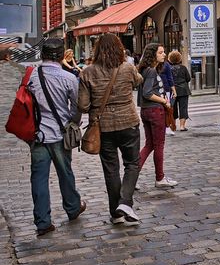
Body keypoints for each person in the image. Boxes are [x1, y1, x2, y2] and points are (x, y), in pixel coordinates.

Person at [79, 33, 144, 226]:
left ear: (97, 49)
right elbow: (138, 80)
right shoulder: (127, 68)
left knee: (111, 169)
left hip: (103, 127)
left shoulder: (88, 72)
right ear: (120, 49)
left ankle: (116, 213)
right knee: (132, 164)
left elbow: (82, 105)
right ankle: (125, 202)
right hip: (128, 122)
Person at [28, 39, 86, 236]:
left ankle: (43, 221)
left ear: (42, 55)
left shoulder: (31, 76)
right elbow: (77, 107)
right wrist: (72, 123)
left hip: (37, 135)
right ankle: (72, 207)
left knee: (39, 178)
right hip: (60, 134)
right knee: (65, 173)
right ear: (61, 56)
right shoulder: (68, 78)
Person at [136, 43, 178, 188]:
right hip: (155, 111)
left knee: (150, 144)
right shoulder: (151, 72)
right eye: (161, 52)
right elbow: (147, 93)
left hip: (146, 111)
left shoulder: (146, 70)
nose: (164, 55)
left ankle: (132, 177)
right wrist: (164, 101)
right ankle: (160, 177)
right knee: (158, 145)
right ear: (153, 55)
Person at [168, 51, 191, 131]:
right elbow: (188, 78)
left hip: (173, 90)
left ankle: (173, 126)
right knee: (183, 108)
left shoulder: (169, 69)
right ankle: (182, 126)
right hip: (183, 90)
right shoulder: (183, 68)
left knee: (172, 108)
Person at [159, 57, 176, 135]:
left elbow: (170, 78)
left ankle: (166, 126)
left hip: (165, 89)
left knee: (166, 109)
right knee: (163, 109)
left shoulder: (165, 64)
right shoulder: (165, 64)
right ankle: (164, 127)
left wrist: (173, 90)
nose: (164, 54)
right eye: (161, 52)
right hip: (160, 89)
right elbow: (170, 78)